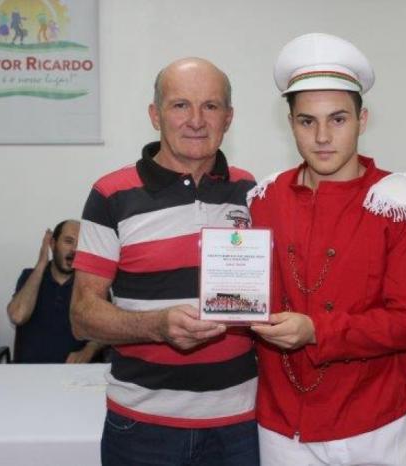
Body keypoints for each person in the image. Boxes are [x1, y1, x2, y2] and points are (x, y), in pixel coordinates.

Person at [248, 33, 406, 466]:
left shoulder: (400, 202)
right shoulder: (265, 198)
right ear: (290, 123)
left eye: (337, 119)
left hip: (372, 418)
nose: (322, 137)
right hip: (281, 421)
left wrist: (317, 331)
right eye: (306, 121)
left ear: (362, 119)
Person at [70, 58, 259, 465]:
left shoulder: (251, 190)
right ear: (155, 115)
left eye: (210, 106)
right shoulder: (111, 194)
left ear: (228, 118)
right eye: (180, 105)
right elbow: (82, 316)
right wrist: (155, 326)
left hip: (240, 426)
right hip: (143, 428)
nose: (196, 120)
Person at [7, 220, 103, 363]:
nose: (74, 250)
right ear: (52, 244)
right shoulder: (30, 277)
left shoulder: (94, 283)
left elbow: (108, 330)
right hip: (30, 372)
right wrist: (41, 264)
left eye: (80, 245)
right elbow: (17, 316)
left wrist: (90, 349)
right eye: (68, 242)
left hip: (76, 373)